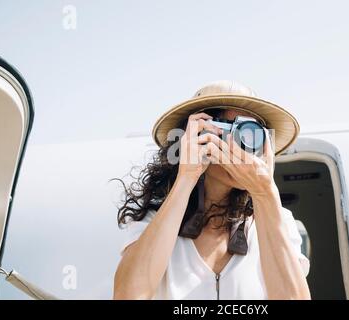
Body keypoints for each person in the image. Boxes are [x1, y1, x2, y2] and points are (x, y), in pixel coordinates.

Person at [113, 80, 310, 300]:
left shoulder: (279, 220)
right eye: (232, 131)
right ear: (195, 137)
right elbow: (128, 295)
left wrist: (265, 193)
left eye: (253, 134)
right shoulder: (154, 221)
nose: (243, 146)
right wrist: (186, 176)